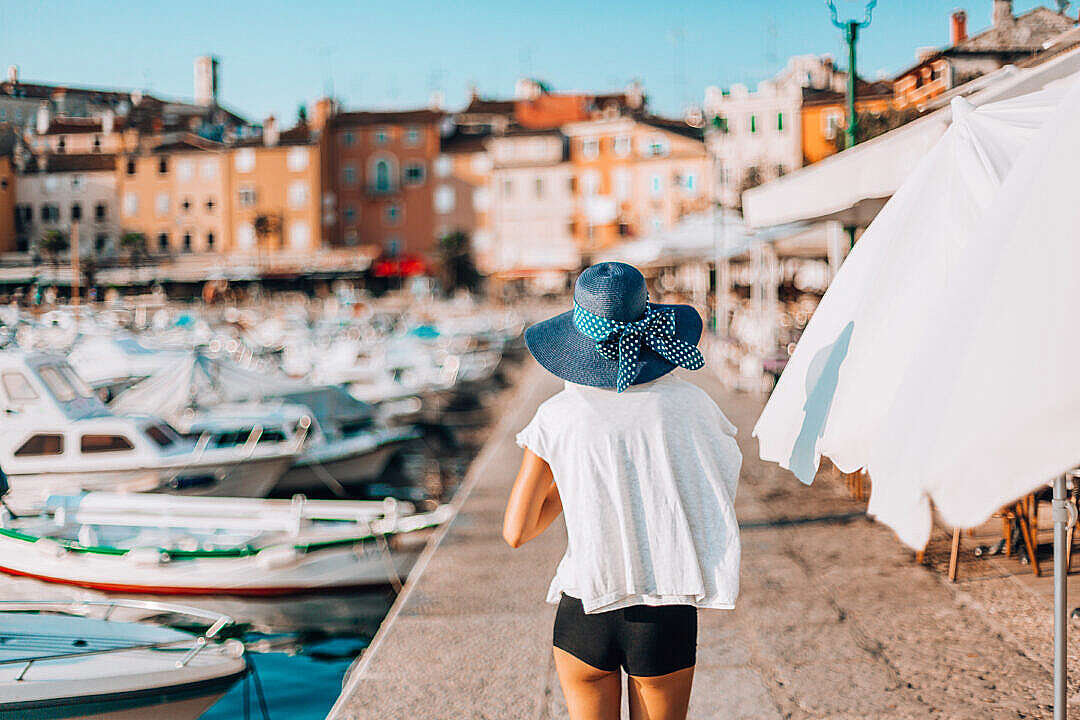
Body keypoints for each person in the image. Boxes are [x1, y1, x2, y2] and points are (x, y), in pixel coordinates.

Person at [503, 262, 742, 720]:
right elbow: (712, 489)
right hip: (665, 606)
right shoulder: (693, 406)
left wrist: (574, 484)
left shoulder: (558, 415)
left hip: (584, 608)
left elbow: (517, 530)